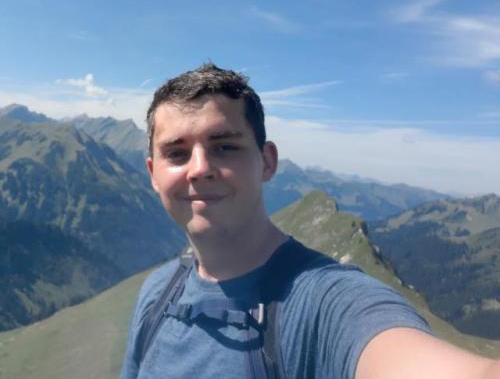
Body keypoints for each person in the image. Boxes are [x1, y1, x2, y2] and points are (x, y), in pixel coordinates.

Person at [121, 63, 500, 379]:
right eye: (177, 153)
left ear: (267, 161)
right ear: (153, 174)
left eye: (225, 146)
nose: (199, 169)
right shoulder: (157, 294)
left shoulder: (326, 303)